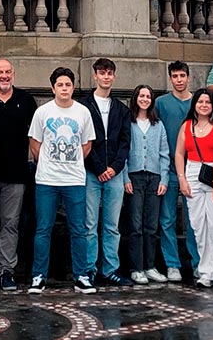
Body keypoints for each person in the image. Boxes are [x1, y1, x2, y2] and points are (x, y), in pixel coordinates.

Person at [27, 66, 96, 295]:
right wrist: (48, 162)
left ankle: (82, 275)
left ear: (73, 87)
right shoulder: (43, 112)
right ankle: (38, 276)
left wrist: (72, 161)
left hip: (75, 180)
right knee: (43, 229)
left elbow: (87, 144)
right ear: (52, 88)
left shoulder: (82, 112)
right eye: (60, 85)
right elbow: (35, 144)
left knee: (78, 229)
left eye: (68, 85)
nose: (64, 88)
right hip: (47, 179)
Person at [0, 59, 37, 291]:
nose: (4, 76)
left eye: (8, 72)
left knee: (11, 225)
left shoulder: (26, 100)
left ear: (13, 74)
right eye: (0, 72)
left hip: (16, 174)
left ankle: (6, 271)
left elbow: (34, 136)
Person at [80, 58, 130, 286]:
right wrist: (99, 168)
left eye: (110, 73)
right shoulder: (84, 106)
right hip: (92, 172)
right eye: (102, 73)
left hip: (115, 173)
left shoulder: (121, 108)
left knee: (112, 225)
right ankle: (89, 269)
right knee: (89, 224)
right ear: (95, 76)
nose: (106, 76)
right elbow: (83, 141)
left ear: (114, 76)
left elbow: (125, 142)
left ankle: (110, 268)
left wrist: (114, 168)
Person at [174, 89, 213, 289]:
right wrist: (181, 179)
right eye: (200, 101)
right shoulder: (187, 127)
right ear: (194, 105)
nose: (204, 105)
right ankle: (206, 271)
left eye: (207, 102)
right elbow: (179, 154)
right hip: (193, 172)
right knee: (198, 227)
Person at [124, 84, 169, 284]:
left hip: (154, 178)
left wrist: (164, 179)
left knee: (151, 225)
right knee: (135, 225)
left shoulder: (157, 124)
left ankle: (150, 266)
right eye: (141, 95)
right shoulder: (129, 122)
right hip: (134, 177)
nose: (144, 99)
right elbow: (123, 151)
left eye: (148, 96)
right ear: (135, 98)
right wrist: (125, 177)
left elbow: (164, 153)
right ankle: (136, 268)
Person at [154, 61, 194, 283]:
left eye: (182, 76)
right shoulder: (161, 103)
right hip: (167, 169)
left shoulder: (198, 101)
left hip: (194, 169)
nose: (179, 80)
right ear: (170, 79)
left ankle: (197, 263)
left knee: (194, 220)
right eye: (175, 76)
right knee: (166, 219)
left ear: (189, 77)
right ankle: (172, 264)